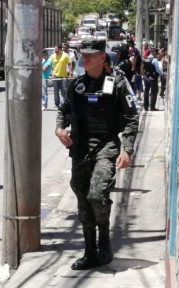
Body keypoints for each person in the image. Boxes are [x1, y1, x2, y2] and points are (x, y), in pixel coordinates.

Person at [55, 38, 138, 270]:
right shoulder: (77, 85)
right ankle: (90, 252)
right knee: (83, 201)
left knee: (97, 195)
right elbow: (64, 111)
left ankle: (104, 239)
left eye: (91, 54)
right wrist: (59, 129)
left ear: (103, 57)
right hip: (80, 151)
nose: (86, 58)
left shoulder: (117, 83)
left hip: (106, 147)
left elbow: (132, 116)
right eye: (84, 54)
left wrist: (127, 149)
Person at [50, 44, 71, 108]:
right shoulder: (52, 56)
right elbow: (49, 64)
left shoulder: (65, 56)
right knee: (55, 91)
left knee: (64, 91)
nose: (55, 50)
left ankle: (63, 104)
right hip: (55, 76)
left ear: (60, 49)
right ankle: (56, 103)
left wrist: (70, 73)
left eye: (56, 49)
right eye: (54, 49)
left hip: (63, 76)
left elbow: (69, 64)